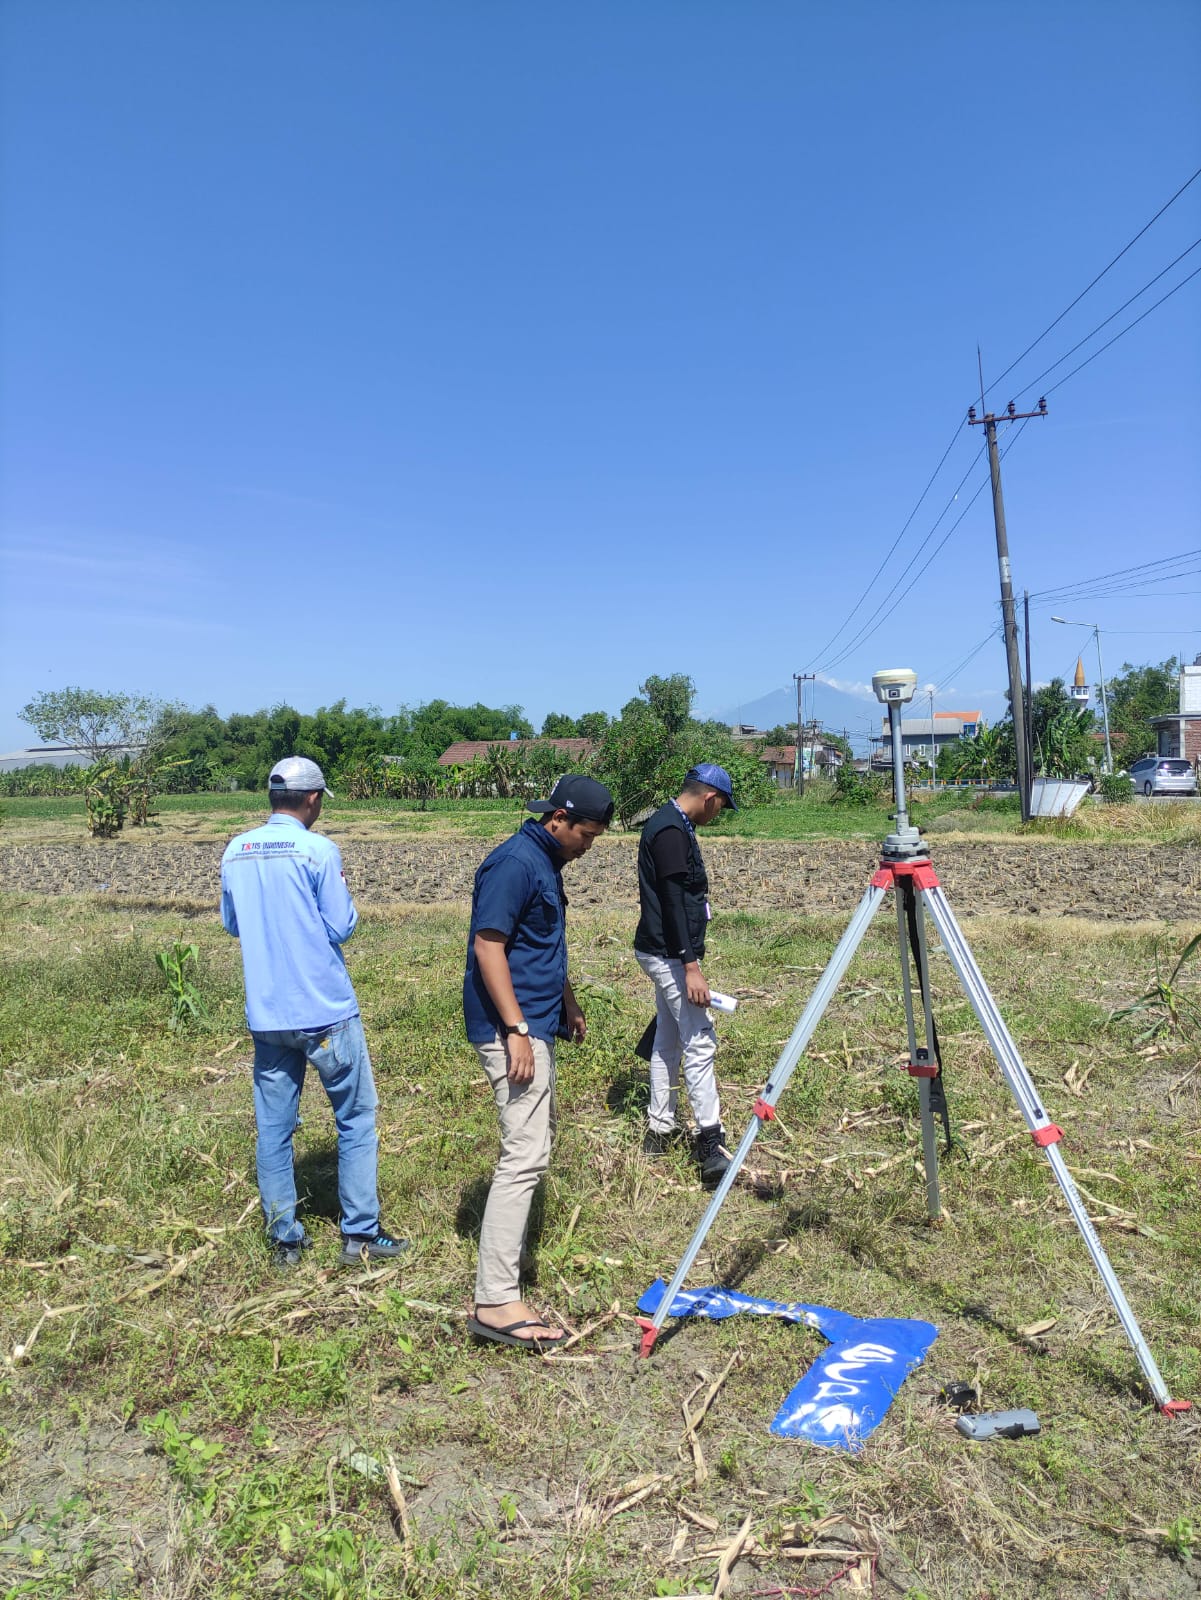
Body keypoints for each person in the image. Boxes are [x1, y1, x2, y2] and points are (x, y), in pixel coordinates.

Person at [220, 756, 405, 1269]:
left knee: (274, 1129)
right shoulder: (319, 850)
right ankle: (360, 1234)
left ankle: (285, 1238)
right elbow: (341, 926)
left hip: (267, 1015)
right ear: (313, 798)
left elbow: (233, 924)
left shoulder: (236, 850)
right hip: (325, 1011)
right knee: (355, 1118)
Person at [463, 773, 614, 1351]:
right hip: (513, 1028)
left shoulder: (546, 861)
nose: (589, 846)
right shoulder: (515, 863)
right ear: (559, 819)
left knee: (533, 1145)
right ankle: (496, 1300)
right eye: (587, 835)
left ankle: (508, 1264)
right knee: (524, 1154)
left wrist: (567, 1002)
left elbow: (541, 945)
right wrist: (516, 1030)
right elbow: (489, 946)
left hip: (536, 1022)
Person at [633, 762, 738, 1185]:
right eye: (721, 806)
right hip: (670, 954)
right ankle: (710, 1144)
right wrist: (690, 966)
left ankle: (659, 1129)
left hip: (663, 949)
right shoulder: (672, 832)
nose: (718, 815)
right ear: (710, 798)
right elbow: (673, 901)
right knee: (699, 1039)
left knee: (668, 1038)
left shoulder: (671, 823)